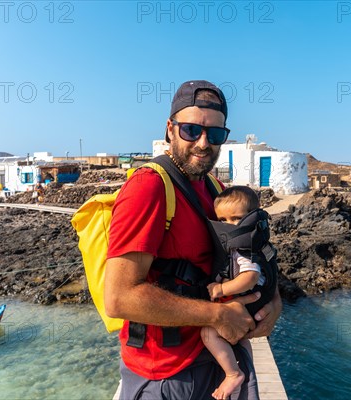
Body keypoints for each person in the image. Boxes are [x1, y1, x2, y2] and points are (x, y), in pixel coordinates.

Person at [105, 80, 282, 400]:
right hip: (167, 376)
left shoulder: (215, 189)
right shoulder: (149, 187)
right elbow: (118, 298)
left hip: (219, 361)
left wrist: (274, 302)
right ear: (170, 130)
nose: (203, 143)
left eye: (215, 134)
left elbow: (249, 248)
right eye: (191, 130)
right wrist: (216, 315)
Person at [202, 186, 275, 400]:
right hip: (258, 300)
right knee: (241, 342)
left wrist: (221, 288)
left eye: (236, 219)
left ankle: (233, 373)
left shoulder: (244, 248)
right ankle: (244, 366)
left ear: (251, 218)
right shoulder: (256, 242)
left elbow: (250, 277)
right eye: (222, 220)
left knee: (208, 332)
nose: (229, 226)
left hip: (251, 303)